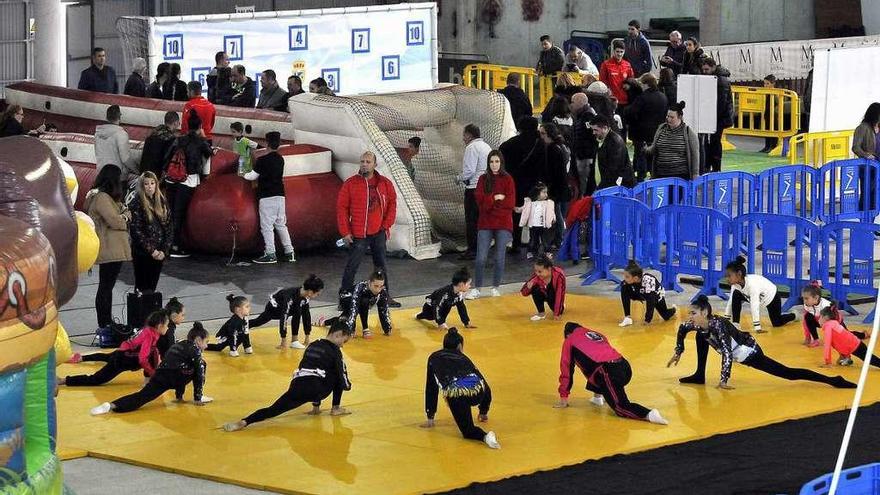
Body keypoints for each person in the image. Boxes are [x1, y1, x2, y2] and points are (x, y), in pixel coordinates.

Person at [667, 295, 856, 389]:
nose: (690, 317)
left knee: (788, 374)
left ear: (705, 313)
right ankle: (699, 375)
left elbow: (726, 353)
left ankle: (833, 381)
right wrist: (678, 351)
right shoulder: (699, 324)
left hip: (749, 352)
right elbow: (682, 330)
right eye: (690, 313)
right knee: (701, 334)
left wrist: (723, 380)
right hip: (730, 347)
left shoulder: (719, 326)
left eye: (693, 313)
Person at [223, 320, 353, 432]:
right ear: (338, 334)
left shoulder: (313, 345)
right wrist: (347, 386)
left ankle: (244, 422)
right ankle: (336, 408)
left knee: (273, 410)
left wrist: (316, 406)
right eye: (344, 341)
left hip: (298, 385)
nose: (342, 345)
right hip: (316, 388)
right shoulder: (335, 351)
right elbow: (342, 374)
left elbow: (308, 367)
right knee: (336, 375)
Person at [555, 322, 669, 424]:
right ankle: (597, 398)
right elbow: (600, 355)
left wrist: (563, 397)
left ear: (567, 334)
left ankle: (649, 414)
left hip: (609, 372)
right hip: (624, 367)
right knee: (593, 366)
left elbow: (567, 370)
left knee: (620, 407)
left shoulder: (569, 341)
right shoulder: (596, 334)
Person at [90, 322, 212, 415]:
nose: (206, 346)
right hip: (175, 376)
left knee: (142, 396)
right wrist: (197, 397)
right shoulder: (195, 350)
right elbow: (198, 374)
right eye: (206, 342)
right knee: (201, 365)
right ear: (197, 340)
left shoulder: (179, 343)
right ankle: (198, 396)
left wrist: (179, 395)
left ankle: (111, 405)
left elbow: (173, 363)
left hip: (161, 374)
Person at [336, 151, 400, 307]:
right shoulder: (350, 184)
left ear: (374, 165)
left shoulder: (385, 183)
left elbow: (392, 204)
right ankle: (345, 298)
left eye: (368, 162)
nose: (364, 164)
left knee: (381, 266)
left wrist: (386, 226)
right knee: (352, 266)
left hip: (379, 232)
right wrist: (345, 232)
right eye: (362, 161)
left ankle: (384, 297)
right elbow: (341, 208)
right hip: (359, 233)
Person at [421, 328, 500, 449]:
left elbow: (431, 388)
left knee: (468, 431)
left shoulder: (434, 358)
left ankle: (485, 437)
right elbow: (484, 384)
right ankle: (483, 424)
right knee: (476, 384)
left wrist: (430, 416)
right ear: (459, 346)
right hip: (477, 391)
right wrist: (483, 412)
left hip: (458, 394)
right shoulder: (464, 358)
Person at [60, 311, 166, 387]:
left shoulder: (148, 329)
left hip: (123, 351)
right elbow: (143, 359)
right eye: (167, 325)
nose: (168, 328)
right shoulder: (150, 335)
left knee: (108, 357)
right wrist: (152, 372)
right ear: (160, 326)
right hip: (123, 358)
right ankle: (64, 380)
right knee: (95, 379)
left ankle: (81, 359)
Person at [84, 165, 131, 333]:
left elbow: (124, 210)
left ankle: (106, 321)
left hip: (111, 247)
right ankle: (104, 323)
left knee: (106, 287)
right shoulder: (103, 198)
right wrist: (124, 216)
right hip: (110, 248)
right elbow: (116, 220)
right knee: (105, 287)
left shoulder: (100, 196)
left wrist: (123, 214)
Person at [467, 150, 515, 300]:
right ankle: (477, 288)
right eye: (492, 162)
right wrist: (495, 198)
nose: (494, 165)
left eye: (497, 162)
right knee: (481, 258)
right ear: (488, 163)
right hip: (485, 223)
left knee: (499, 258)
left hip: (503, 223)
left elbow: (510, 203)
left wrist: (492, 203)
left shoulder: (508, 179)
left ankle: (495, 287)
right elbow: (480, 203)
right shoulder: (482, 179)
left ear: (501, 162)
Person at [164, 112, 214, 258]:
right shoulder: (200, 141)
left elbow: (168, 157)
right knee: (179, 214)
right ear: (200, 127)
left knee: (170, 211)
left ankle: (166, 243)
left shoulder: (178, 139)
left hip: (171, 178)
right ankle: (175, 246)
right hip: (187, 180)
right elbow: (209, 152)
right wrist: (204, 137)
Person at [244, 131, 295, 264]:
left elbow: (252, 176)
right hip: (280, 196)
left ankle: (271, 253)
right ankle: (290, 252)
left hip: (267, 196)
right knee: (281, 224)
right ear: (279, 144)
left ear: (267, 143)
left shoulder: (262, 160)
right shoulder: (280, 159)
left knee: (267, 226)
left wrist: (242, 174)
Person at [499, 116, 543, 253]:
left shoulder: (509, 144)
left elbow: (502, 160)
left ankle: (516, 242)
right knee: (535, 212)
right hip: (535, 183)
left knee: (517, 212)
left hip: (515, 183)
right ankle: (534, 242)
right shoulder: (540, 143)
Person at [249, 274, 324, 350]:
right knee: (258, 321)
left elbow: (306, 315)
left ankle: (294, 340)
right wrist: (283, 341)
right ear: (310, 292)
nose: (318, 296)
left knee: (299, 311)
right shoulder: (290, 296)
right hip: (274, 310)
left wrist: (307, 336)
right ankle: (244, 325)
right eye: (317, 294)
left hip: (289, 308)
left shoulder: (305, 296)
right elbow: (284, 317)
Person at [725, 256, 796, 333]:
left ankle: (794, 315)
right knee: (736, 295)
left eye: (729, 276)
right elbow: (730, 302)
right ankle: (736, 324)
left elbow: (754, 306)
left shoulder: (752, 285)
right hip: (756, 298)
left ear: (739, 274)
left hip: (771, 297)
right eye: (726, 276)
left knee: (777, 322)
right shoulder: (735, 285)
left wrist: (757, 327)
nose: (727, 279)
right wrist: (725, 321)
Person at [128, 172, 171, 294]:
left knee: (152, 288)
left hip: (159, 252)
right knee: (142, 287)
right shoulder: (137, 203)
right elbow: (136, 230)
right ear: (142, 186)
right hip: (142, 253)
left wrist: (164, 250)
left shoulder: (162, 202)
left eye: (152, 183)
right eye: (146, 184)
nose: (150, 186)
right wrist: (152, 251)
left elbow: (169, 227)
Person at [457, 124, 492, 260]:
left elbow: (470, 170)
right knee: (482, 220)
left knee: (472, 220)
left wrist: (459, 178)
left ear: (470, 135)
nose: (463, 138)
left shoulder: (471, 148)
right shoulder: (486, 147)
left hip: (473, 189)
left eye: (464, 135)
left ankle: (473, 250)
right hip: (485, 188)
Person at [626, 74, 668, 182]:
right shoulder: (663, 97)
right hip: (657, 132)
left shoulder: (642, 98)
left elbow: (632, 112)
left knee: (641, 155)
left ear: (647, 84)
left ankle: (641, 178)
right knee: (654, 156)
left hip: (641, 132)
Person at [326, 271, 393, 338]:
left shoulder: (382, 291)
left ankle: (327, 322)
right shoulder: (360, 287)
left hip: (360, 303)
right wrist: (351, 329)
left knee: (343, 319)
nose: (378, 289)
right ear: (369, 283)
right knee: (363, 302)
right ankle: (365, 328)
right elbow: (354, 308)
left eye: (381, 286)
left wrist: (387, 328)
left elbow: (384, 309)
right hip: (346, 298)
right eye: (375, 286)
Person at [801, 282, 868, 348]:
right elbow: (805, 322)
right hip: (821, 321)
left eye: (806, 298)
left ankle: (863, 335)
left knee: (846, 336)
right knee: (807, 317)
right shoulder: (807, 305)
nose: (804, 301)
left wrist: (830, 340)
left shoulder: (826, 305)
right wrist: (807, 337)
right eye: (803, 298)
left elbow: (832, 322)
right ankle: (816, 340)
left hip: (835, 321)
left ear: (816, 298)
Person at [645, 101, 700, 180]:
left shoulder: (689, 133)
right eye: (667, 116)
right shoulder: (661, 129)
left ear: (680, 117)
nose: (668, 119)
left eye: (672, 117)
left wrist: (695, 174)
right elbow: (654, 148)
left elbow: (695, 155)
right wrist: (645, 149)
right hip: (660, 175)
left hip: (681, 177)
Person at [538, 123, 569, 246]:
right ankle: (559, 238)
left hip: (555, 187)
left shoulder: (552, 149)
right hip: (561, 186)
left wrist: (548, 186)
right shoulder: (560, 146)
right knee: (559, 213)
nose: (541, 136)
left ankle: (559, 239)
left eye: (543, 133)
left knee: (556, 213)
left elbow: (553, 171)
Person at [618, 260, 676, 327]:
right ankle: (627, 317)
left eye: (627, 277)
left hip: (656, 296)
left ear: (636, 278)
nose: (624, 278)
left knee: (665, 316)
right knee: (624, 287)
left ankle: (674, 309)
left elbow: (650, 302)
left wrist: (647, 320)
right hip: (640, 293)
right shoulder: (630, 281)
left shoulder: (648, 281)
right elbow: (625, 288)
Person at [701, 58, 734, 173]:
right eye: (703, 69)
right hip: (717, 116)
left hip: (719, 117)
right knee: (712, 142)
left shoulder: (720, 81)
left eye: (706, 69)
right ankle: (711, 167)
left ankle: (715, 168)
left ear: (714, 67)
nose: (704, 72)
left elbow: (721, 103)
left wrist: (712, 118)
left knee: (714, 143)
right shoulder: (718, 78)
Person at [599, 40, 635, 141]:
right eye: (617, 51)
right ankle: (611, 143)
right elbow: (602, 82)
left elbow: (632, 80)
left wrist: (629, 84)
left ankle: (622, 144)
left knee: (623, 125)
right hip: (611, 101)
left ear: (624, 52)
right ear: (613, 51)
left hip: (624, 101)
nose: (619, 54)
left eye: (621, 52)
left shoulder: (627, 65)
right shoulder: (606, 64)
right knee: (611, 125)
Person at [95, 105, 138, 183]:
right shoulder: (121, 134)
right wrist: (137, 170)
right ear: (119, 116)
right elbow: (125, 158)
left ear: (107, 117)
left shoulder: (98, 133)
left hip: (102, 173)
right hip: (118, 176)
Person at [592, 114, 635, 189]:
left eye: (596, 130)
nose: (593, 133)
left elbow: (613, 170)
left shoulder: (615, 142)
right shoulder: (603, 139)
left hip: (620, 187)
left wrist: (601, 187)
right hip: (613, 184)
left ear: (605, 128)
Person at [852, 102, 880, 212]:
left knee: (876, 198)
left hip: (878, 166)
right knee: (867, 195)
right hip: (868, 168)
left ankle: (872, 224)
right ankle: (864, 223)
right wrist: (866, 155)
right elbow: (855, 147)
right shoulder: (863, 128)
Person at [521, 255, 566, 321]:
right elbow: (523, 293)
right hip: (543, 293)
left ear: (549, 269)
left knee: (558, 309)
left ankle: (561, 306)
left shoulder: (559, 275)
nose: (537, 274)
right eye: (535, 271)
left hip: (553, 295)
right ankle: (541, 312)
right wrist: (528, 288)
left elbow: (559, 295)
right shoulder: (536, 276)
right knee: (535, 289)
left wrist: (557, 314)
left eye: (540, 271)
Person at [517, 182, 556, 259]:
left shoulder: (548, 203)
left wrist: (553, 218)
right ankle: (531, 251)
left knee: (545, 240)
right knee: (532, 240)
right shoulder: (530, 202)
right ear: (537, 193)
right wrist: (518, 209)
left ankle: (547, 252)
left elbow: (551, 212)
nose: (546, 194)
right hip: (533, 225)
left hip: (543, 225)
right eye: (544, 192)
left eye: (546, 192)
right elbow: (524, 209)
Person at [570, 93, 598, 197]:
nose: (571, 105)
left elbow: (589, 136)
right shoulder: (583, 115)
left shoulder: (587, 115)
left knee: (585, 183)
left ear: (579, 102)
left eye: (572, 102)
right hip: (583, 154)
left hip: (585, 156)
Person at [140, 112, 180, 177]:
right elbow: (167, 160)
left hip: (143, 170)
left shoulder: (153, 133)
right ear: (175, 123)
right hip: (156, 174)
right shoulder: (171, 139)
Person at [759, 75, 778, 153]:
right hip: (767, 114)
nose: (765, 86)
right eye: (764, 84)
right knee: (767, 129)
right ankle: (767, 146)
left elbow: (778, 104)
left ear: (773, 84)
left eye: (767, 84)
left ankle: (773, 146)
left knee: (773, 129)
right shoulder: (765, 93)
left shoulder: (776, 93)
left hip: (774, 115)